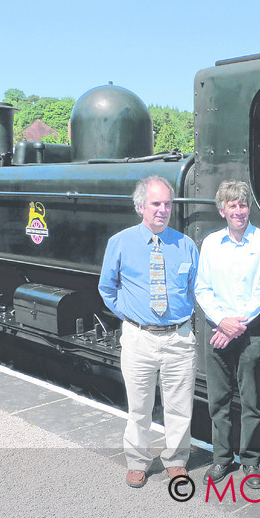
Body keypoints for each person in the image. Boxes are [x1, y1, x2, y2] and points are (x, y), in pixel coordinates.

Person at [98, 175, 199, 488]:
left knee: (180, 406)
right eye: (156, 203)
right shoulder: (120, 243)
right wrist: (130, 315)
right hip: (139, 337)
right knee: (139, 407)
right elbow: (106, 288)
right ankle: (138, 461)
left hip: (179, 338)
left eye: (167, 204)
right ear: (141, 206)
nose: (163, 210)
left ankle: (176, 460)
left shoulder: (185, 245)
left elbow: (197, 289)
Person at [195, 180, 260, 490]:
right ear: (222, 210)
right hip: (217, 329)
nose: (239, 210)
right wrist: (222, 321)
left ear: (248, 208)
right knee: (219, 399)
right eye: (232, 205)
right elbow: (202, 287)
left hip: (251, 332)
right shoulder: (211, 243)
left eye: (243, 205)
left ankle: (252, 462)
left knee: (252, 401)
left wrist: (236, 325)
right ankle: (221, 458)